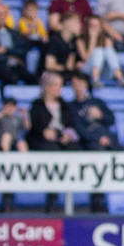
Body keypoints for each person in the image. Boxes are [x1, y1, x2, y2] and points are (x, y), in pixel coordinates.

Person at [27, 71, 80, 212]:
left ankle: (72, 195)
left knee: (75, 148)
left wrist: (67, 134)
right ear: (48, 87)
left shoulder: (64, 105)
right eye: (57, 85)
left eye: (60, 86)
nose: (59, 89)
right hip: (41, 141)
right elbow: (37, 128)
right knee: (52, 152)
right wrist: (48, 133)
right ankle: (52, 197)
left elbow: (71, 124)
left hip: (61, 139)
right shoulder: (37, 105)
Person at [68, 72, 119, 151]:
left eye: (80, 83)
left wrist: (100, 116)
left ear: (86, 85)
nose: (78, 87)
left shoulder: (97, 101)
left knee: (122, 150)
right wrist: (98, 138)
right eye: (74, 84)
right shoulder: (70, 106)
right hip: (88, 142)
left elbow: (111, 119)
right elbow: (78, 128)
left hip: (105, 136)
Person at [77, 14, 124, 87]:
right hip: (88, 70)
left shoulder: (106, 38)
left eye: (96, 26)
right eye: (92, 25)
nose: (94, 28)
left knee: (108, 50)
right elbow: (86, 58)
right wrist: (93, 39)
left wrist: (107, 28)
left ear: (101, 27)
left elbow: (120, 39)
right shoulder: (80, 39)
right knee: (98, 51)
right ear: (87, 27)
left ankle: (121, 79)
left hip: (105, 70)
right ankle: (95, 80)